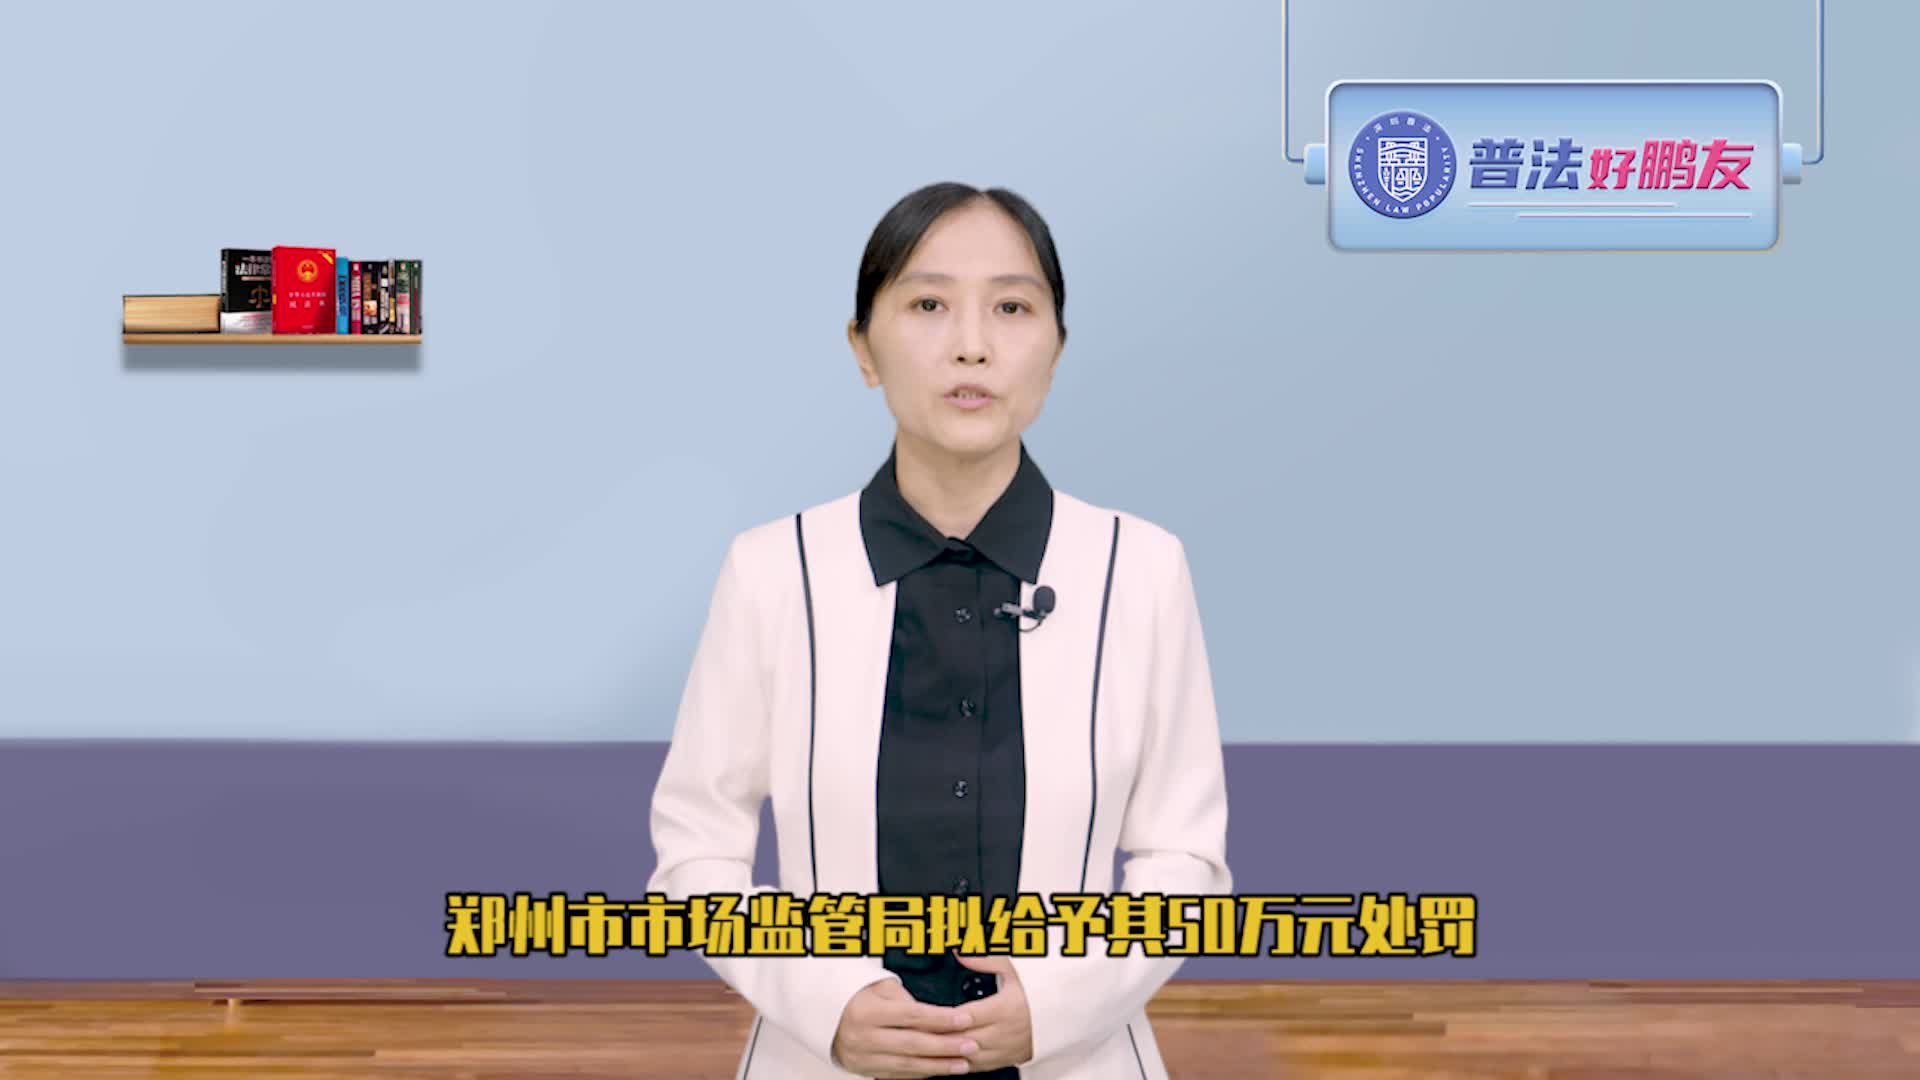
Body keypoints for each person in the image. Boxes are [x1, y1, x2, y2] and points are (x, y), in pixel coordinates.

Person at [647, 182, 1232, 1079]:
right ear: (863, 347)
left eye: (1012, 308)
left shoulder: (1142, 568)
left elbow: (1183, 859)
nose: (972, 345)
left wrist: (1057, 1001)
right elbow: (695, 854)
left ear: (1056, 348)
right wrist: (826, 1001)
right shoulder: (772, 571)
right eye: (927, 305)